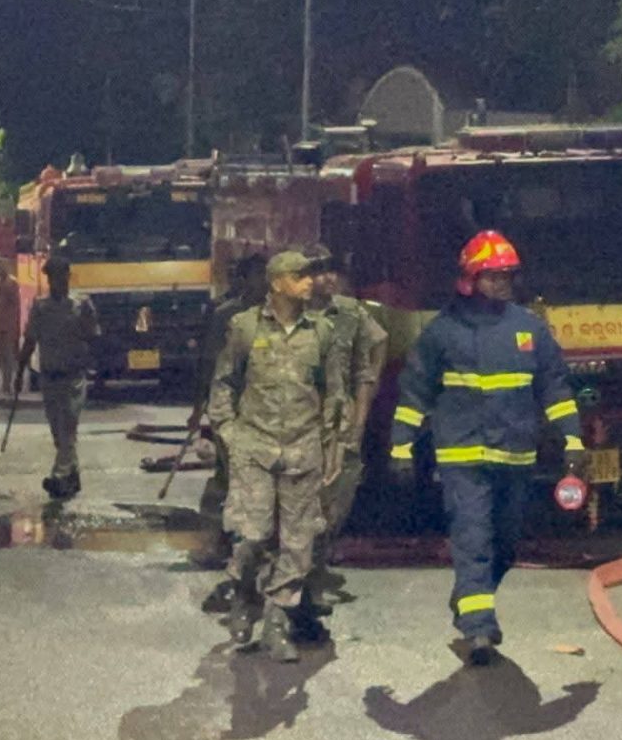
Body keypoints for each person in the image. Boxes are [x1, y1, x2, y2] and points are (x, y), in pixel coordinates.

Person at [389, 230, 585, 666]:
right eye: (493, 276)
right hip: (462, 456)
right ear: (470, 278)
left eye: (507, 276)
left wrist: (573, 440)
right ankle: (478, 629)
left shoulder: (529, 329)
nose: (502, 284)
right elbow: (415, 393)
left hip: (515, 454)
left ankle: (469, 597)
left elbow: (555, 389)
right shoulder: (443, 332)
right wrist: (401, 446)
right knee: (472, 535)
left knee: (507, 543)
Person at [207, 250, 345, 662]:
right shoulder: (245, 327)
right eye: (299, 276)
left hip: (303, 449)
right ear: (276, 283)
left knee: (298, 542)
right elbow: (224, 382)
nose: (309, 282)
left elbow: (334, 393)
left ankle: (277, 623)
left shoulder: (321, 332)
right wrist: (228, 433)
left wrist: (332, 444)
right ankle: (244, 593)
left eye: (309, 275)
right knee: (253, 535)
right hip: (254, 447)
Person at [305, 243, 388, 615]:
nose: (327, 278)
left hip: (339, 426)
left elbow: (377, 346)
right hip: (296, 425)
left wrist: (362, 409)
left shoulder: (349, 312)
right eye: (317, 271)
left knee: (336, 501)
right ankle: (301, 580)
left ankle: (316, 566)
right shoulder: (285, 315)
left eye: (331, 270)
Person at [189, 254, 270, 575]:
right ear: (244, 279)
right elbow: (209, 364)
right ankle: (217, 542)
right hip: (231, 410)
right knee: (228, 476)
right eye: (259, 275)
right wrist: (199, 406)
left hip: (267, 410)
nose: (264, 282)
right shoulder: (227, 315)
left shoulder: (280, 315)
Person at [15, 256, 101, 499]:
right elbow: (30, 340)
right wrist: (20, 371)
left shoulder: (81, 304)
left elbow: (94, 336)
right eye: (53, 277)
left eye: (61, 276)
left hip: (73, 377)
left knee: (68, 428)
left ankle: (58, 476)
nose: (57, 282)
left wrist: (95, 366)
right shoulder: (41, 307)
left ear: (68, 277)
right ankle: (72, 476)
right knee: (59, 432)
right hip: (49, 377)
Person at [0, 257, 21, 394]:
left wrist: (15, 326)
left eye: (2, 267)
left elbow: (15, 306)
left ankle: (6, 385)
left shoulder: (11, 284)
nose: (0, 269)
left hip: (7, 326)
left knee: (7, 356)